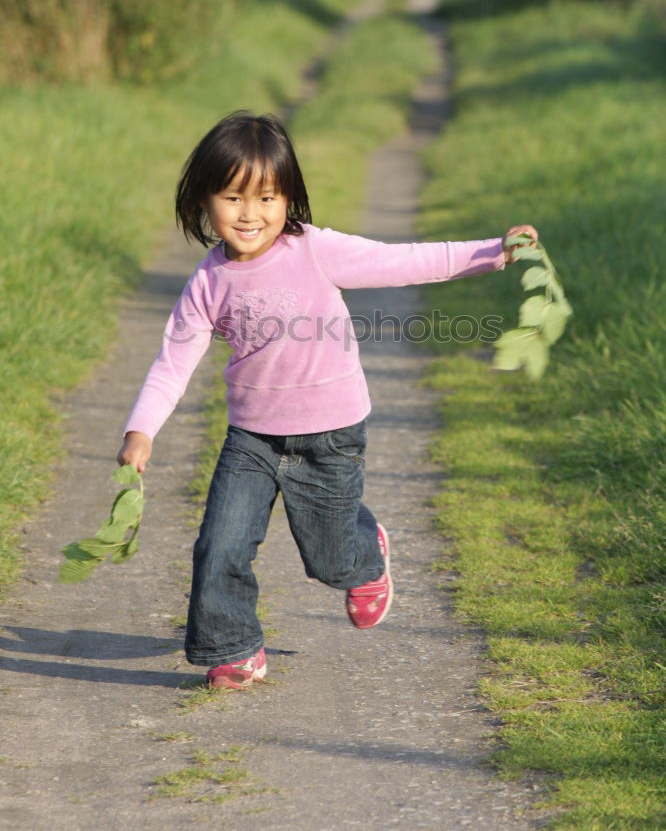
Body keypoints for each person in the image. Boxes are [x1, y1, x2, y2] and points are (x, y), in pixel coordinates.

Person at [117, 110, 537, 690]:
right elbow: (174, 362)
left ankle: (367, 554)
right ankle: (236, 649)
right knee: (219, 544)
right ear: (204, 200)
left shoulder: (314, 250)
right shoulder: (208, 282)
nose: (250, 213)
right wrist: (141, 430)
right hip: (252, 439)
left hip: (332, 433)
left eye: (267, 198)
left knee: (330, 560)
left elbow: (405, 260)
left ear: (289, 198)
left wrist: (494, 251)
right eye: (233, 197)